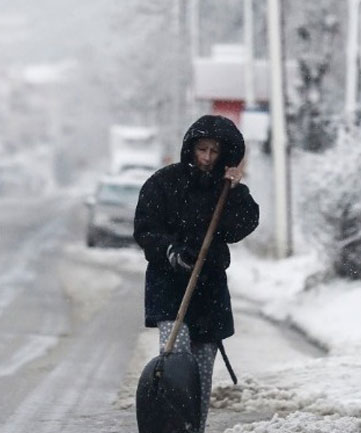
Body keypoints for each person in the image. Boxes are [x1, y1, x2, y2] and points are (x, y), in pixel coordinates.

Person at [133, 114, 259, 432]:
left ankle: (195, 429)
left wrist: (235, 190)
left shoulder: (226, 190)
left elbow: (239, 228)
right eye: (201, 149)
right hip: (169, 287)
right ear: (190, 148)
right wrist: (171, 252)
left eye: (214, 151)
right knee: (176, 361)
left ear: (224, 155)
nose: (206, 158)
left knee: (202, 374)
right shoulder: (163, 183)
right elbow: (145, 229)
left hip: (210, 290)